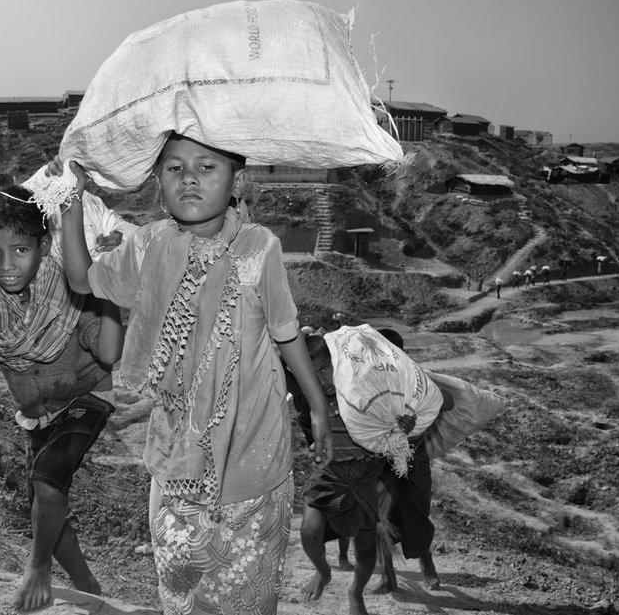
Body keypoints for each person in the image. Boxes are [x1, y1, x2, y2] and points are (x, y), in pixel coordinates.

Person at [53, 135, 335, 615]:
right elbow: (83, 279)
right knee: (183, 592)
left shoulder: (259, 248)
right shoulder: (147, 246)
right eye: (173, 168)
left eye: (207, 167)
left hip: (254, 450)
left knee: (246, 595)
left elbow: (286, 334)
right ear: (158, 180)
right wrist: (71, 196)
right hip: (177, 455)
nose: (189, 177)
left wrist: (319, 408)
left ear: (237, 181)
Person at [0, 186, 125, 611]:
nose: (6, 265)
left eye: (20, 249)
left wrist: (107, 282)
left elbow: (109, 353)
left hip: (87, 394)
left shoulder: (70, 286)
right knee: (43, 504)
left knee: (48, 479)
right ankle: (88, 585)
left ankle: (37, 568)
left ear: (42, 245)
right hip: (37, 413)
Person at [285, 333, 391, 615]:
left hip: (362, 477)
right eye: (312, 373)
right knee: (308, 532)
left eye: (324, 368)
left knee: (366, 551)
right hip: (328, 475)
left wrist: (402, 422)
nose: (320, 379)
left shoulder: (362, 393)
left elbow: (392, 423)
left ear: (338, 364)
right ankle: (323, 571)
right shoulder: (311, 401)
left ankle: (356, 592)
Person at [372, 328, 444, 594]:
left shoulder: (416, 379)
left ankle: (427, 563)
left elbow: (439, 406)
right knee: (381, 516)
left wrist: (414, 423)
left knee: (416, 512)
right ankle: (387, 576)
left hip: (413, 457)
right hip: (380, 457)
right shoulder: (368, 380)